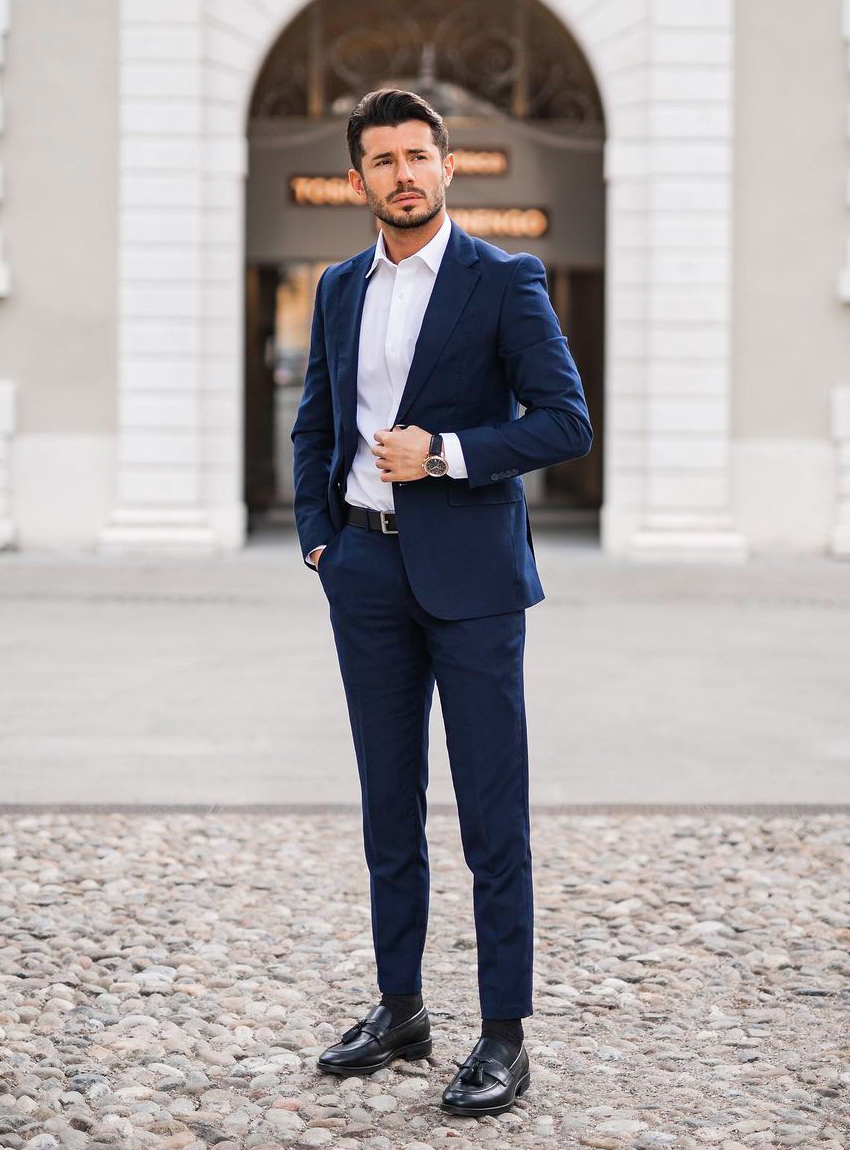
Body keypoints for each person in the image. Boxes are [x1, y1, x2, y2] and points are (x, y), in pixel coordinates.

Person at [290, 87, 592, 1117]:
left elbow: (563, 423)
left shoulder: (504, 278)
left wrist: (447, 454)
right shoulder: (337, 286)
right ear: (358, 178)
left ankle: (504, 1034)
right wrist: (319, 535)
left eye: (418, 155)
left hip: (471, 584)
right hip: (364, 574)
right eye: (382, 159)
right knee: (388, 806)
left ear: (447, 165)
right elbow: (316, 423)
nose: (402, 173)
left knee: (490, 813)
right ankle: (400, 1007)